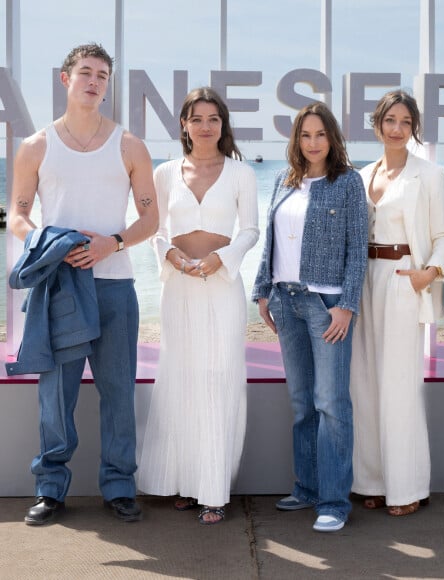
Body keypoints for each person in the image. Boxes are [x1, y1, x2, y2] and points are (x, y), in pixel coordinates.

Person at [8, 43, 158, 525]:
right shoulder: (36, 146)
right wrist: (48, 243)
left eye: (103, 76)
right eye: (86, 73)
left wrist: (112, 242)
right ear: (65, 79)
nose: (95, 82)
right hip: (59, 288)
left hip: (115, 287)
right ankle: (50, 488)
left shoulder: (130, 145)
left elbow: (151, 220)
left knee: (118, 391)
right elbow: (17, 214)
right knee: (57, 393)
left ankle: (118, 484)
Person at [137, 87, 259, 525]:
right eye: (197, 118)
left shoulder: (241, 173)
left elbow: (250, 231)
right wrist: (169, 255)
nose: (205, 126)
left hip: (222, 284)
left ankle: (214, 488)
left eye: (213, 118)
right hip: (180, 286)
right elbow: (153, 228)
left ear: (223, 125)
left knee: (218, 376)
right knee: (182, 377)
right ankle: (188, 482)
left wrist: (220, 260)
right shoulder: (166, 172)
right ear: (184, 125)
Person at [252, 102, 368, 532]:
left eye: (320, 134)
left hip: (326, 306)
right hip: (285, 301)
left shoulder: (348, 183)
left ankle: (334, 501)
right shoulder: (285, 179)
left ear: (332, 138)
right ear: (296, 140)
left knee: (332, 404)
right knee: (302, 404)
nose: (313, 142)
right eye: (305, 135)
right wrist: (262, 292)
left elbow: (358, 250)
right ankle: (307, 487)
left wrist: (347, 304)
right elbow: (272, 241)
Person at [349, 91, 444, 516]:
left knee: (400, 384)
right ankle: (371, 481)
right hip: (364, 279)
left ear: (414, 129)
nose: (397, 128)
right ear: (377, 125)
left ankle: (406, 487)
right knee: (364, 381)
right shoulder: (360, 174)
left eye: (406, 122)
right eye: (390, 120)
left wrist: (430, 273)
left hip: (404, 278)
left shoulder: (429, 174)